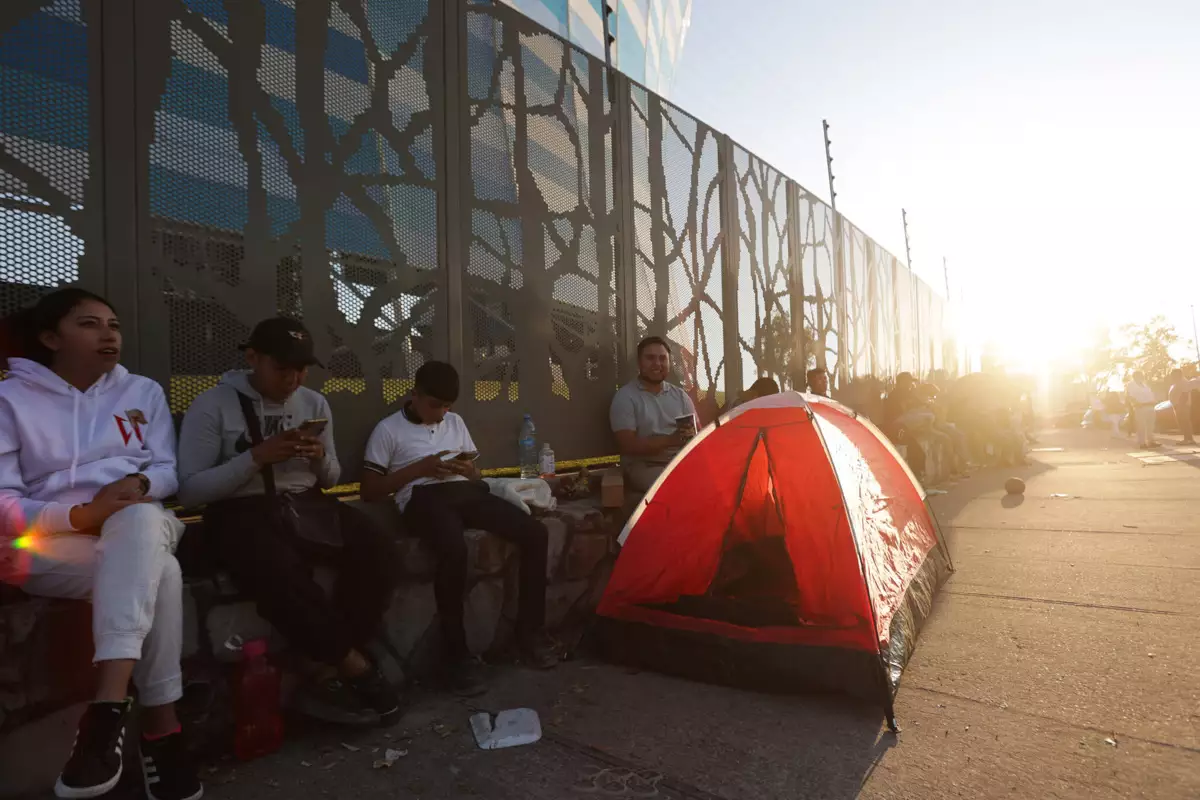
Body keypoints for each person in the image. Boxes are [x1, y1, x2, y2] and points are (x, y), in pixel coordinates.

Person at [0, 289, 201, 800]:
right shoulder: (10, 400)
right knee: (164, 574)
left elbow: (164, 470)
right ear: (51, 338)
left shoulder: (143, 392)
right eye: (89, 324)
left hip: (133, 525)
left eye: (113, 323)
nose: (109, 333)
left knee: (137, 525)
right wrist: (81, 514)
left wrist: (138, 489)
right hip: (46, 543)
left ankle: (106, 710)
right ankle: (161, 729)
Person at [177, 317, 401, 726]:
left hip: (305, 504)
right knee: (279, 571)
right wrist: (257, 457)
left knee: (380, 550)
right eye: (282, 368)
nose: (293, 379)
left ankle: (324, 666)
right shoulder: (213, 405)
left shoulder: (314, 403)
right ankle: (353, 665)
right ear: (252, 358)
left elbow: (332, 479)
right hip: (240, 509)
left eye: (301, 369)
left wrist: (316, 456)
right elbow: (190, 490)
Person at [359, 361, 558, 696]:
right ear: (415, 395)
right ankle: (456, 656)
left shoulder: (455, 422)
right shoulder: (388, 430)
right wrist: (420, 468)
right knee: (453, 550)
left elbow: (475, 475)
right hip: (422, 498)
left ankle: (530, 634)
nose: (441, 414)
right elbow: (369, 491)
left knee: (535, 534)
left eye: (448, 406)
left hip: (462, 491)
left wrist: (466, 470)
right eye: (435, 405)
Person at [610, 337, 697, 492]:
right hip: (643, 466)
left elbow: (696, 435)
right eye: (650, 358)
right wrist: (671, 440)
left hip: (680, 462)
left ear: (669, 363)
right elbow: (628, 445)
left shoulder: (680, 396)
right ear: (639, 363)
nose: (657, 364)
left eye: (662, 358)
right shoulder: (625, 397)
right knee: (678, 487)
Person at [1125, 371, 1159, 448]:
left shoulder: (1145, 385)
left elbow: (1150, 394)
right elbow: (1129, 395)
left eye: (1142, 375)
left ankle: (1151, 441)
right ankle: (1142, 443)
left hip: (1150, 406)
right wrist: (1135, 403)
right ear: (1135, 376)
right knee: (1141, 426)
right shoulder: (1131, 384)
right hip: (1140, 407)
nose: (1142, 377)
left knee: (1150, 425)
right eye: (1140, 375)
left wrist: (1154, 401)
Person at [1167, 368, 1200, 445]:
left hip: (1182, 405)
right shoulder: (1177, 382)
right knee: (1182, 422)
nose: (1172, 376)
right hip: (1178, 405)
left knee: (1185, 422)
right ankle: (1187, 439)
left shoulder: (1183, 382)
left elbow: (1184, 395)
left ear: (1178, 374)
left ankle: (1189, 439)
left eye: (1173, 374)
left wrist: (1180, 406)